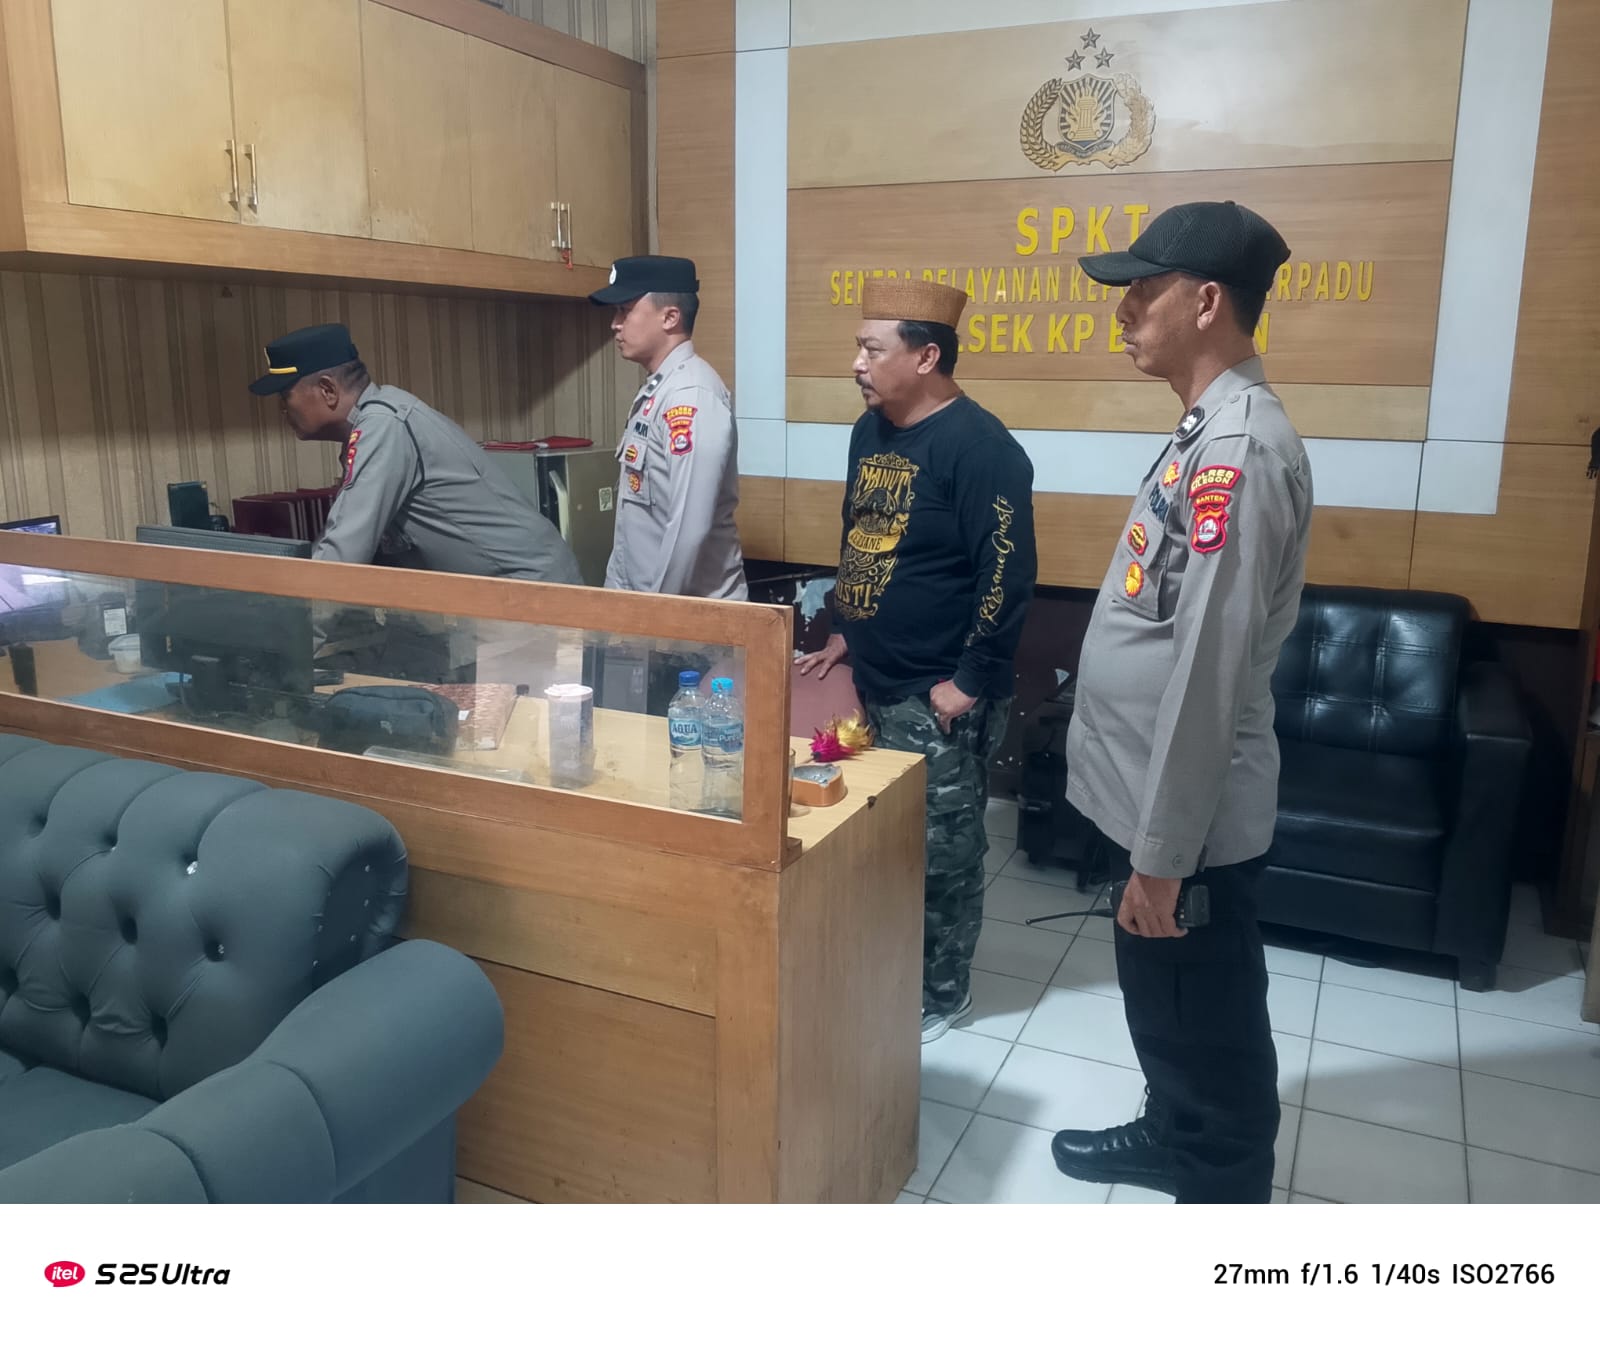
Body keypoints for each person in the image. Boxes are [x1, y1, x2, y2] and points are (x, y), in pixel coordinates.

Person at [1051, 201, 1313, 1203]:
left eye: (1141, 291)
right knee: (1166, 1005)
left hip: (1188, 829)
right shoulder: (1204, 430)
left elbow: (1208, 669)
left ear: (1206, 302)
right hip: (1154, 807)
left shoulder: (1240, 451)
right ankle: (1172, 1130)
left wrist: (1163, 858)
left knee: (1209, 1023)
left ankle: (1221, 1189)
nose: (1122, 311)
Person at [796, 276, 1037, 1044]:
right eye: (858, 347)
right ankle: (892, 970)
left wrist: (969, 680)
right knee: (881, 842)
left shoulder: (982, 448)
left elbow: (1007, 573)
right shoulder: (869, 431)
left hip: (939, 691)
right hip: (872, 678)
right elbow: (860, 537)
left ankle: (942, 993)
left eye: (872, 349)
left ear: (926, 355)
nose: (857, 363)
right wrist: (846, 624)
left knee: (943, 852)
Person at [248, 323, 581, 584]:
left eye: (285, 397)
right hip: (501, 589)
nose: (283, 410)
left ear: (328, 390)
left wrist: (292, 631)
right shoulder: (378, 417)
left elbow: (342, 555)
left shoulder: (384, 427)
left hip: (528, 589)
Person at [589, 256, 746, 600]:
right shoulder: (660, 388)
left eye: (625, 311)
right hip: (645, 606)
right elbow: (635, 524)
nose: (615, 324)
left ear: (670, 317)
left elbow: (690, 529)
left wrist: (659, 619)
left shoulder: (690, 396)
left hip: (690, 616)